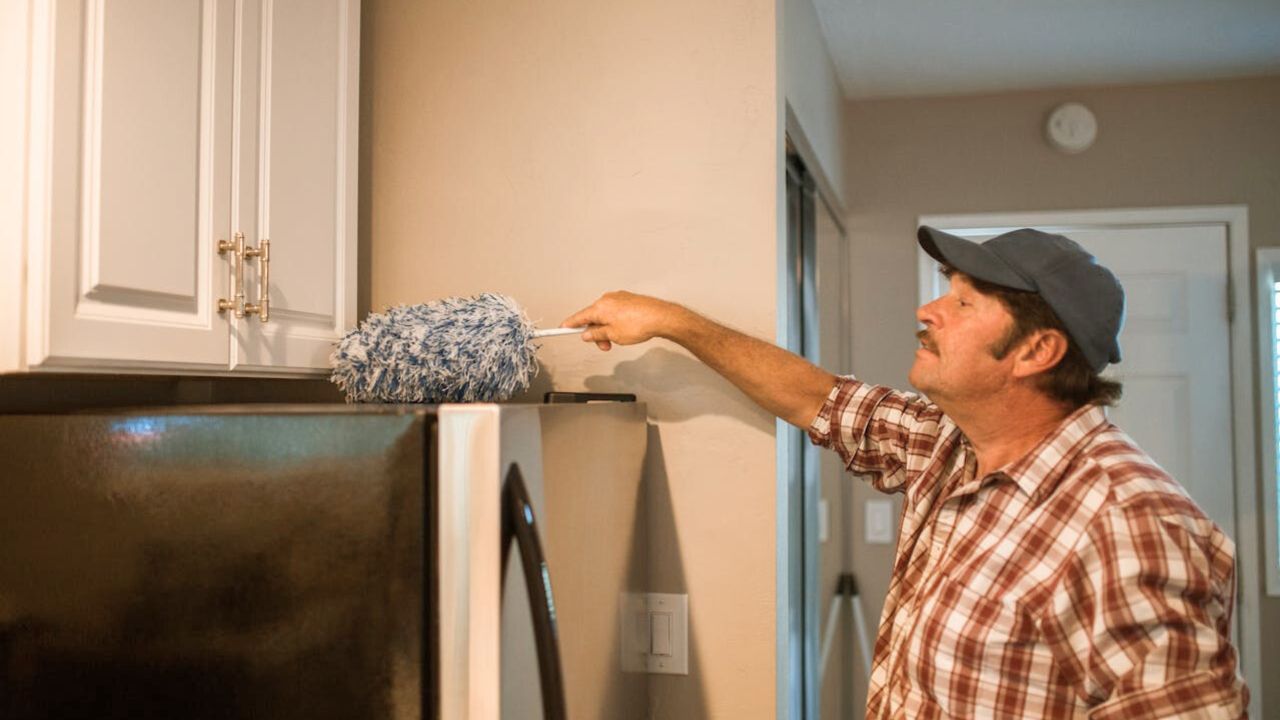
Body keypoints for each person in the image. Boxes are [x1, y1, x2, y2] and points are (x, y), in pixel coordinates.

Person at [561, 226, 1249, 718]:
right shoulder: (950, 445)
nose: (929, 310)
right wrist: (670, 322)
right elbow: (816, 398)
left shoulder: (1129, 525)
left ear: (1036, 351)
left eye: (965, 302)